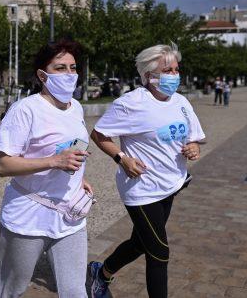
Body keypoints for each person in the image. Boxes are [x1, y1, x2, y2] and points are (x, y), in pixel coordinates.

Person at [87, 44, 206, 298]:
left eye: (176, 69)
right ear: (149, 76)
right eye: (167, 70)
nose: (174, 75)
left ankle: (101, 273)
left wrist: (194, 147)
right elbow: (98, 134)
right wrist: (121, 158)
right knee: (159, 252)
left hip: (170, 185)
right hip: (141, 189)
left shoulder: (181, 102)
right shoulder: (131, 104)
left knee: (141, 243)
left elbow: (193, 137)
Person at [0, 40, 94, 298]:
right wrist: (53, 161)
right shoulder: (25, 110)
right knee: (10, 288)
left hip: (70, 215)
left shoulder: (76, 107)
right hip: (28, 217)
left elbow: (72, 149)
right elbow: (4, 165)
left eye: (73, 67)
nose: (69, 74)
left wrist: (80, 178)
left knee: (75, 291)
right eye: (60, 68)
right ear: (42, 75)